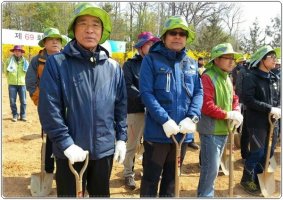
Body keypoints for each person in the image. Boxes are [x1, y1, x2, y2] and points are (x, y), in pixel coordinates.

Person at [37, 3, 127, 197]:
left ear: (102, 31)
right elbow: (49, 108)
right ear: (73, 29)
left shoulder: (113, 67)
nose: (89, 29)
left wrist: (121, 138)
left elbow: (120, 106)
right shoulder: (57, 63)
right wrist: (66, 143)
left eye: (95, 24)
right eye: (83, 24)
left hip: (104, 150)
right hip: (70, 150)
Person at [139, 15, 203, 197]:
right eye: (173, 33)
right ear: (165, 36)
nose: (177, 37)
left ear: (186, 38)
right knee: (151, 179)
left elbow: (198, 92)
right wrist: (164, 120)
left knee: (172, 179)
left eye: (182, 34)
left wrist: (192, 117)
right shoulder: (151, 60)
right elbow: (146, 93)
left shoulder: (191, 63)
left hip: (182, 135)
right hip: (158, 133)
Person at [197, 43, 243, 197]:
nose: (232, 61)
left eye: (233, 59)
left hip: (224, 130)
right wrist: (228, 115)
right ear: (216, 60)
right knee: (210, 169)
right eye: (227, 58)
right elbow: (206, 105)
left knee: (213, 170)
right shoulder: (208, 77)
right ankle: (205, 196)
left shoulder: (227, 78)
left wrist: (236, 109)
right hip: (211, 131)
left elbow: (234, 97)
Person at [240, 45, 281, 195]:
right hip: (257, 122)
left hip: (273, 122)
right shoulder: (251, 77)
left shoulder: (274, 78)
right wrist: (269, 108)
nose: (275, 60)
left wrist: (278, 109)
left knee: (268, 153)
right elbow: (248, 100)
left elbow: (278, 98)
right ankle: (246, 179)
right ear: (262, 60)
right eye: (271, 57)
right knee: (257, 152)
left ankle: (258, 178)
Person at [26, 27, 67, 175]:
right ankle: (49, 169)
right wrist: (41, 100)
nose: (55, 42)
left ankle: (64, 170)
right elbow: (31, 83)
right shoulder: (37, 60)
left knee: (67, 134)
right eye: (51, 39)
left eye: (58, 39)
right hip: (47, 106)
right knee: (51, 135)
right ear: (45, 42)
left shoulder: (67, 58)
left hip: (67, 105)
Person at [122, 31, 159, 190]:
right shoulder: (130, 64)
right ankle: (128, 173)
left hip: (153, 112)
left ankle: (145, 170)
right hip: (135, 111)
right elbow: (128, 86)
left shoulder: (156, 63)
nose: (152, 47)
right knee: (132, 144)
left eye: (153, 44)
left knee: (150, 144)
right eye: (149, 44)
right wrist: (147, 99)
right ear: (141, 47)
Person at [4, 45, 29, 122]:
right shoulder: (8, 61)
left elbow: (28, 72)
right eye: (16, 51)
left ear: (22, 53)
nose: (17, 52)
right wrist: (10, 78)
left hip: (22, 84)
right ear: (14, 52)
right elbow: (5, 71)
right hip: (12, 84)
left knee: (23, 101)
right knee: (12, 101)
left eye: (19, 51)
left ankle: (23, 115)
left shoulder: (25, 62)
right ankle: (15, 114)